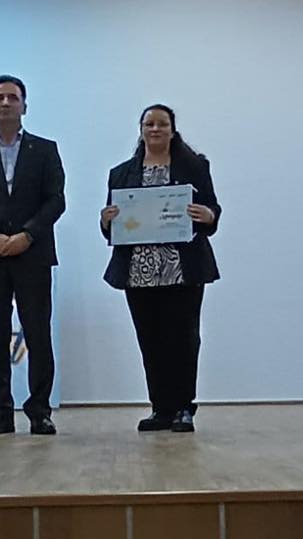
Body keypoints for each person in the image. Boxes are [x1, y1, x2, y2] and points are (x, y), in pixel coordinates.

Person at [99, 104, 222, 433]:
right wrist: (106, 221)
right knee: (150, 340)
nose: (155, 129)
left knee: (184, 338)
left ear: (172, 129)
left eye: (162, 124)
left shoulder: (194, 166)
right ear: (140, 129)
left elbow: (212, 207)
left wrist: (209, 215)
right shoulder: (121, 173)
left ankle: (184, 407)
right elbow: (113, 224)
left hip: (182, 268)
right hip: (138, 270)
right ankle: (161, 408)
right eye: (149, 124)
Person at [0, 75, 65, 436]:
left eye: (12, 98)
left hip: (33, 255)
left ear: (24, 106)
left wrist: (27, 235)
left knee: (38, 334)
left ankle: (40, 412)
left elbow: (56, 200)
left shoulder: (45, 150)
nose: (5, 103)